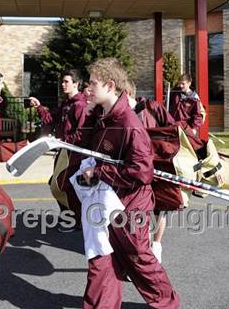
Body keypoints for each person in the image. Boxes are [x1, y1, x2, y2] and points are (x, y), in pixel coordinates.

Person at [81, 58, 180, 308]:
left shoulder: (129, 124)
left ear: (110, 85)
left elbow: (141, 172)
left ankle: (168, 304)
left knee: (138, 258)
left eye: (92, 83)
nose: (87, 88)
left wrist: (100, 172)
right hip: (107, 201)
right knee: (103, 255)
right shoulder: (104, 118)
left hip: (131, 204)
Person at [30, 69, 88, 232]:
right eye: (62, 81)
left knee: (63, 185)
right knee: (57, 184)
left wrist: (65, 141)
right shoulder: (66, 104)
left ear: (76, 84)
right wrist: (39, 107)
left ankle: (76, 220)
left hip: (73, 153)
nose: (62, 84)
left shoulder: (80, 105)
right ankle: (71, 219)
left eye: (66, 82)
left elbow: (82, 133)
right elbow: (50, 119)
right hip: (64, 151)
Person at [125, 80, 175, 264]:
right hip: (137, 170)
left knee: (160, 209)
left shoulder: (152, 107)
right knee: (139, 210)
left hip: (159, 166)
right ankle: (140, 252)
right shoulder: (121, 114)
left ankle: (156, 246)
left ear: (127, 92)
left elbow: (172, 130)